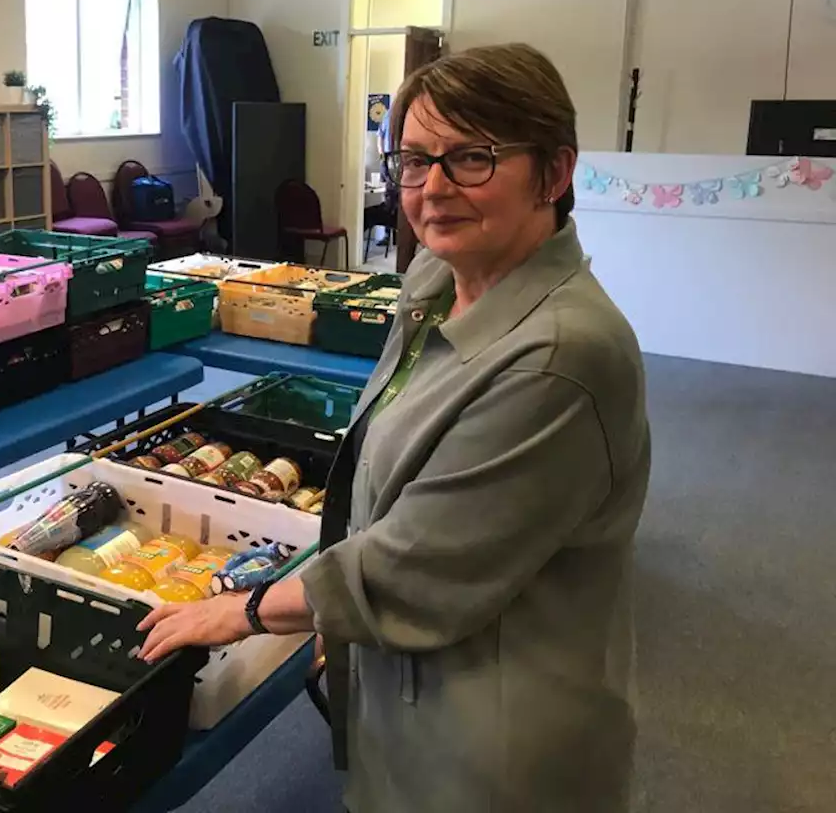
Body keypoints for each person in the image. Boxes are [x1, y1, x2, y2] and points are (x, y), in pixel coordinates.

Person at [139, 43, 651, 813]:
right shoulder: (438, 283)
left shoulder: (559, 357)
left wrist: (247, 611)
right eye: (414, 160)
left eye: (471, 158)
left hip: (492, 743)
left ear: (554, 173)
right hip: (406, 688)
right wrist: (332, 618)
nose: (433, 188)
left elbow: (418, 565)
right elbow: (388, 476)